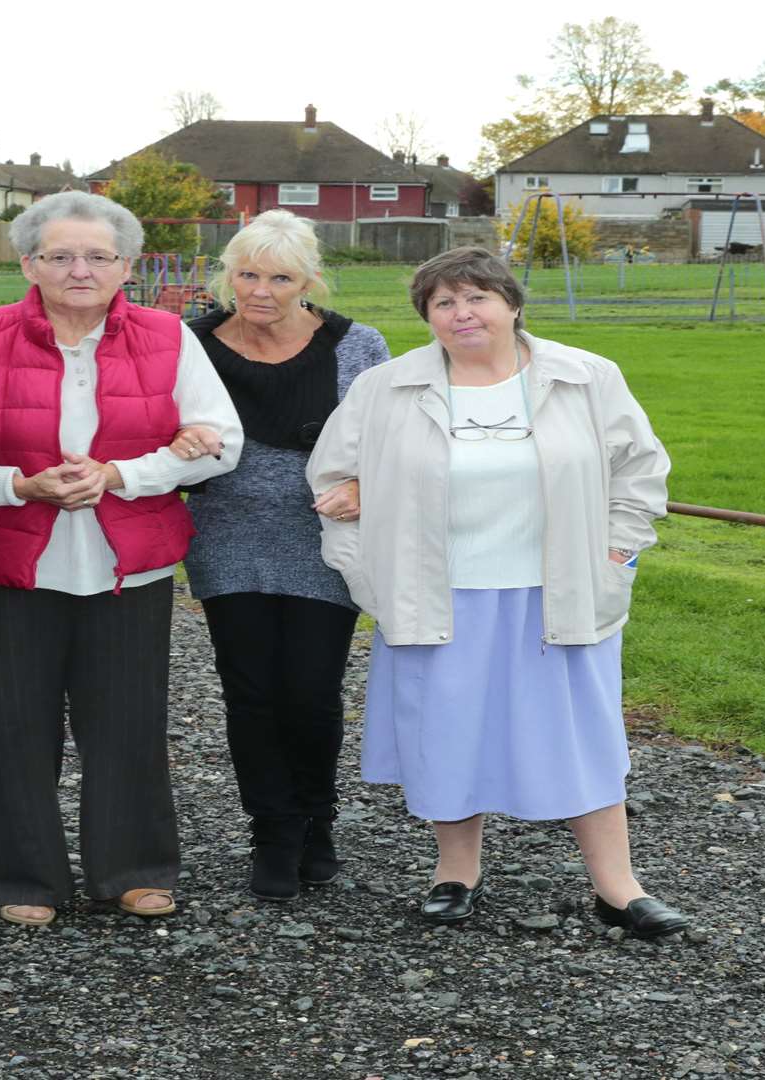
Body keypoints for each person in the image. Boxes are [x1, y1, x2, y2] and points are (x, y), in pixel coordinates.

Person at [306, 246, 691, 937]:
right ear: (427, 317)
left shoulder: (584, 377)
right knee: (447, 735)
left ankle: (618, 886)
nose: (462, 313)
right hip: (438, 593)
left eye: (477, 297)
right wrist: (368, 570)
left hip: (559, 590)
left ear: (512, 304)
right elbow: (333, 482)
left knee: (581, 735)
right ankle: (455, 874)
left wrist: (618, 552)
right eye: (443, 302)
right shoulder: (386, 389)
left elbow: (640, 469)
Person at [0, 191, 242, 929]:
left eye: (98, 256)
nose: (80, 268)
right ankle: (24, 878)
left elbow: (219, 441)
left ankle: (133, 870)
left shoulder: (171, 337)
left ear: (126, 266)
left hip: (127, 564)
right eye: (60, 255)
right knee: (11, 725)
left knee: (128, 723)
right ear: (28, 263)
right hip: (2, 565)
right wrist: (18, 484)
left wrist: (123, 475)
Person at [178, 210, 386, 901]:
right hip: (225, 534)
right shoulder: (188, 342)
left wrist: (364, 482)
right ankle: (272, 831)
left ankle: (315, 822)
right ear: (226, 273)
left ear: (309, 280)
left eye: (279, 277)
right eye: (246, 274)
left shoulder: (356, 346)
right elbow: (151, 416)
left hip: (321, 540)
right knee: (251, 690)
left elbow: (394, 438)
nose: (259, 290)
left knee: (310, 689)